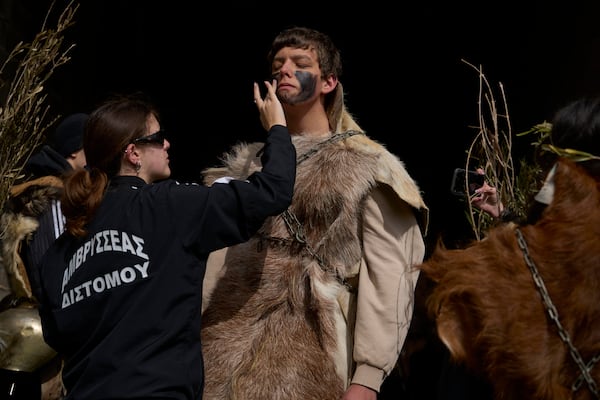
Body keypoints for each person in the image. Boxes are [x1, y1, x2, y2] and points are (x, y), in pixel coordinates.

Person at [200, 26, 429, 400]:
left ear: (328, 82)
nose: (285, 70)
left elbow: (391, 274)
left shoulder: (366, 165)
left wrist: (367, 379)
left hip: (307, 359)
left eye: (300, 63)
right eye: (278, 64)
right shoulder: (243, 168)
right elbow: (213, 260)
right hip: (218, 353)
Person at [35, 85, 296, 399]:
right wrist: (278, 128)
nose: (167, 143)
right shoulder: (169, 206)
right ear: (133, 153)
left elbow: (56, 335)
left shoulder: (58, 252)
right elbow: (272, 191)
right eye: (158, 138)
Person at [0, 112, 88, 400]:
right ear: (75, 151)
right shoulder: (54, 198)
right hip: (41, 325)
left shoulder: (51, 192)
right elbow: (51, 270)